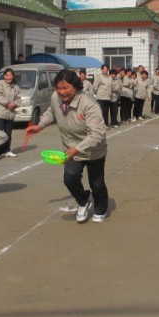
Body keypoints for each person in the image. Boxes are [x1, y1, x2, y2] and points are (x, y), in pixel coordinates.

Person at [26, 69, 109, 223]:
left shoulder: (89, 104)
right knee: (70, 177)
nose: (62, 92)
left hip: (93, 149)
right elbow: (51, 112)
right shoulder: (55, 97)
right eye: (58, 88)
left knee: (97, 183)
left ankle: (100, 208)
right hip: (71, 147)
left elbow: (97, 133)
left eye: (66, 88)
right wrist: (40, 126)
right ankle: (83, 201)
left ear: (75, 86)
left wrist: (78, 148)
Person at [0, 67, 19, 159]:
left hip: (10, 114)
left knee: (8, 134)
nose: (8, 77)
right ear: (4, 76)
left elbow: (19, 98)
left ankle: (7, 150)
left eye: (10, 75)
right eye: (6, 75)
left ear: (13, 76)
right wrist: (7, 103)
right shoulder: (0, 84)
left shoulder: (16, 87)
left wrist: (15, 104)